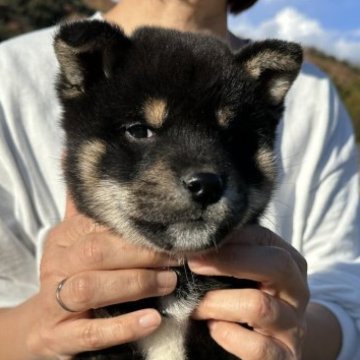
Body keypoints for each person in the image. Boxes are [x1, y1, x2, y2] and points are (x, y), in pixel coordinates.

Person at [0, 0, 359, 359]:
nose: (203, 174)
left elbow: (347, 292)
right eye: (140, 131)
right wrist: (36, 334)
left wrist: (289, 333)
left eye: (229, 138)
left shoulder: (314, 99)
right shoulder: (12, 73)